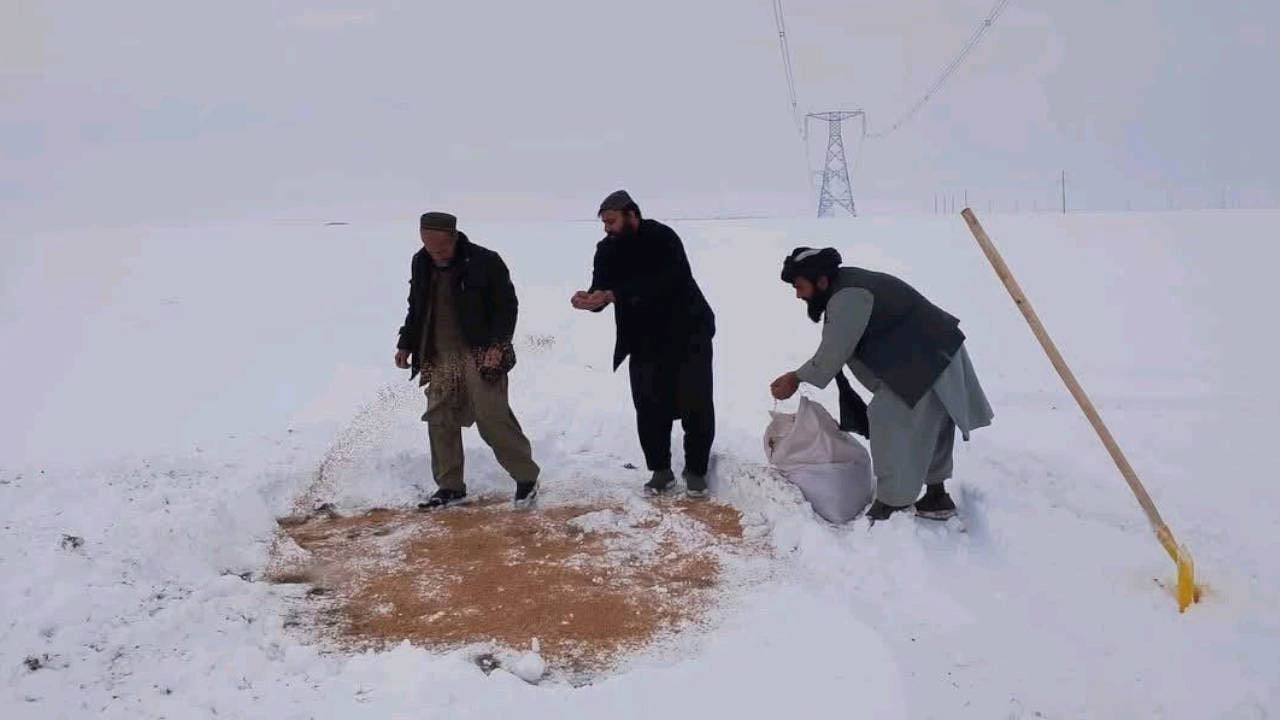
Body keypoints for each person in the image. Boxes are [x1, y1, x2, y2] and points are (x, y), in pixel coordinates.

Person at [769, 247, 993, 521]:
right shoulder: (847, 287)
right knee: (930, 422)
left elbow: (834, 350)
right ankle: (936, 496)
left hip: (926, 359)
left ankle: (893, 503)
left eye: (800, 286)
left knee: (889, 419)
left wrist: (796, 377)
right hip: (932, 354)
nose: (798, 294)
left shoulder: (848, 296)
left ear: (821, 281)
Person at [570, 191, 716, 498]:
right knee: (649, 406)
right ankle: (660, 470)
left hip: (688, 331)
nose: (607, 228)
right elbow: (603, 287)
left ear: (631, 215)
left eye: (611, 221)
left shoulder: (663, 238)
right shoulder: (606, 250)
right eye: (604, 223)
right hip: (643, 337)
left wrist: (613, 295)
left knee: (696, 402)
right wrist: (591, 300)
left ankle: (696, 471)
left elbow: (668, 281)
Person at [394, 212, 540, 510]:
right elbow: (416, 305)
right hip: (439, 353)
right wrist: (406, 343)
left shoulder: (485, 261)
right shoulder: (421, 261)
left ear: (454, 236)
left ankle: (526, 478)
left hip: (481, 352)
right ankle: (450, 487)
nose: (436, 255)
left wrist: (499, 345)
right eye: (429, 248)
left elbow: (507, 307)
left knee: (491, 416)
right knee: (440, 419)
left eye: (441, 249)